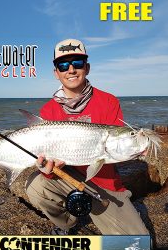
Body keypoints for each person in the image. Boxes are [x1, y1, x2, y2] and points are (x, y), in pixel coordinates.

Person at [25, 38, 149, 235]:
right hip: (68, 179)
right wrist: (46, 169)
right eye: (63, 65)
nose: (71, 69)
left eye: (78, 63)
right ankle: (67, 223)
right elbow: (48, 167)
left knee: (137, 246)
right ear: (56, 73)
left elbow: (116, 149)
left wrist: (136, 148)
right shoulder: (48, 110)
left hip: (105, 186)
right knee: (35, 186)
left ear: (87, 68)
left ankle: (115, 212)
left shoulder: (109, 101)